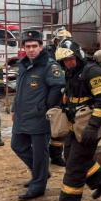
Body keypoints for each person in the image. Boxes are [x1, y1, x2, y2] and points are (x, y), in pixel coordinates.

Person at [51, 41, 101, 201]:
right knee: (71, 155)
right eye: (64, 61)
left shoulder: (93, 72)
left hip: (89, 127)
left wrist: (93, 127)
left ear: (77, 55)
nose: (67, 63)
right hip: (75, 126)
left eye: (70, 59)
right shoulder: (72, 72)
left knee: (74, 166)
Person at [11, 30, 65, 201]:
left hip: (39, 116)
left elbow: (57, 87)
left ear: (41, 47)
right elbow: (19, 90)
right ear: (24, 48)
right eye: (28, 46)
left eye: (35, 46)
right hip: (22, 115)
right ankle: (41, 173)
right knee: (17, 145)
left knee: (40, 153)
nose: (31, 49)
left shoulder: (50, 65)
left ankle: (38, 186)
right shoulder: (23, 64)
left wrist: (46, 107)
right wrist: (14, 109)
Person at [46, 27, 72, 167]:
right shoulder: (47, 54)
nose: (63, 42)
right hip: (48, 93)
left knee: (60, 123)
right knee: (45, 124)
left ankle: (56, 155)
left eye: (66, 40)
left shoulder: (71, 52)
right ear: (55, 41)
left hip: (63, 93)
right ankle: (41, 154)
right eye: (60, 39)